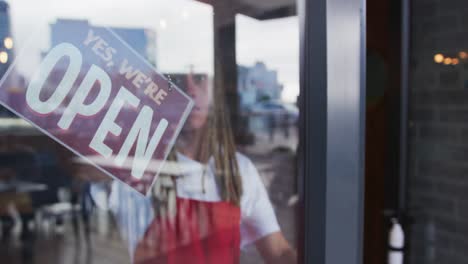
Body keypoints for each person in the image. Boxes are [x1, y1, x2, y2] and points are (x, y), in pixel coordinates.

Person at [89, 72, 296, 264]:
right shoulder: (137, 162)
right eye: (178, 80)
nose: (190, 90)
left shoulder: (238, 169)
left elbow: (278, 252)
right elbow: (83, 171)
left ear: (213, 92)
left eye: (198, 78)